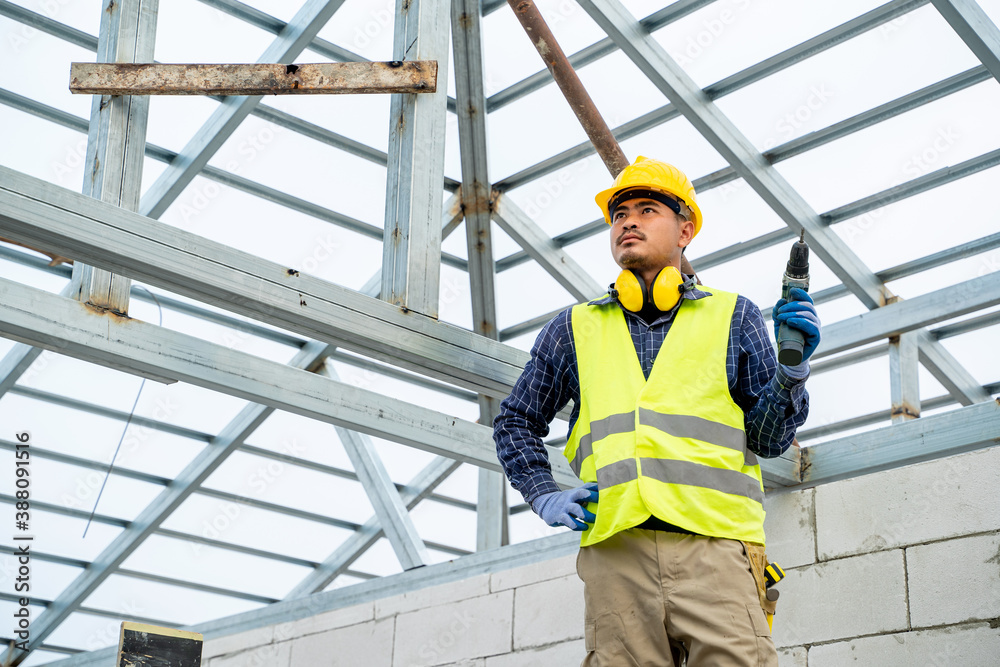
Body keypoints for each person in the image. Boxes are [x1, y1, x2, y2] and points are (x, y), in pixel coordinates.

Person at [493, 156, 821, 666]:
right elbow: (515, 420)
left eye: (647, 209)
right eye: (619, 213)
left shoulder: (732, 316)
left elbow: (771, 438)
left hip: (716, 548)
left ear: (685, 230)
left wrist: (791, 375)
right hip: (616, 555)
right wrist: (542, 495)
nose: (628, 221)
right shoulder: (573, 328)